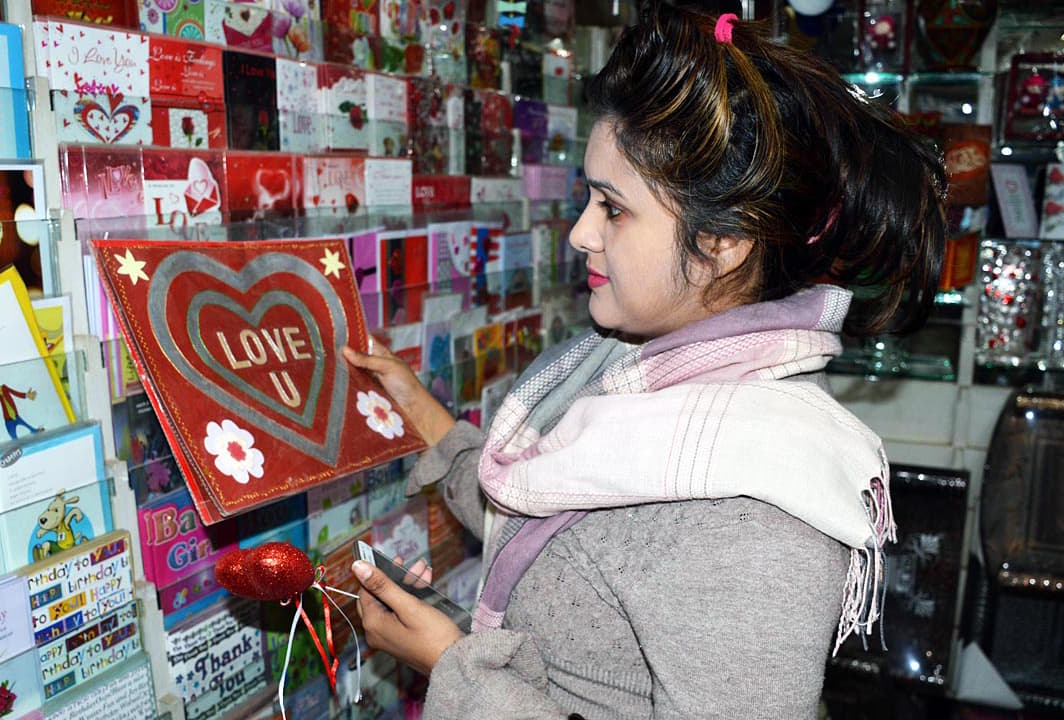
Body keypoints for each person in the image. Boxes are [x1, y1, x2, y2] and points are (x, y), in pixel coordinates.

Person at [342, 5, 945, 718]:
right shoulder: (642, 371)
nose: (579, 234)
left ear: (723, 243)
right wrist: (423, 414)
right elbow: (554, 529)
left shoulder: (754, 515)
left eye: (613, 208)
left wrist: (454, 669)